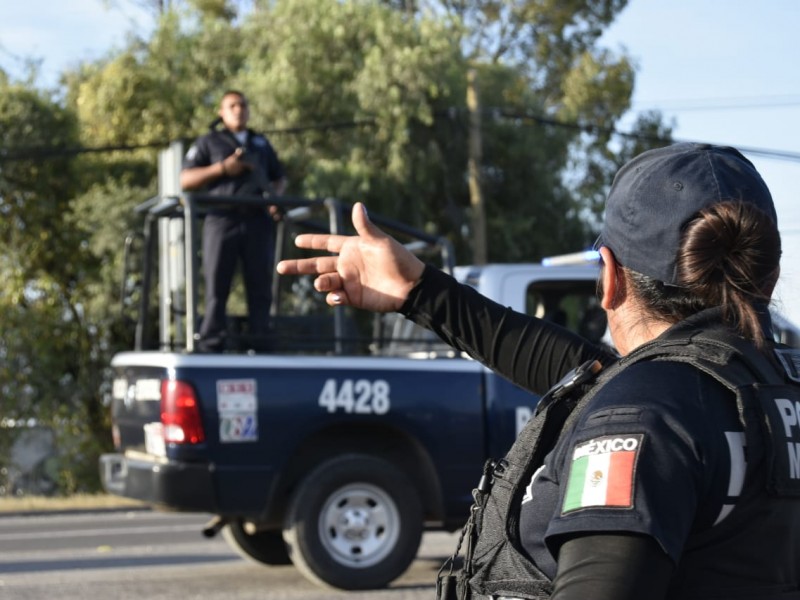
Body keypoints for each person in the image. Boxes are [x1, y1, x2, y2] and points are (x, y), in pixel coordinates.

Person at [277, 143, 800, 599]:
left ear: (610, 276)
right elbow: (587, 373)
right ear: (767, 274)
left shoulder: (648, 414)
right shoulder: (754, 386)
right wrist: (422, 293)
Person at [181, 90, 287, 353]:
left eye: (243, 105)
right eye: (232, 105)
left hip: (257, 221)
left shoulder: (260, 143)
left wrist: (276, 198)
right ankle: (211, 341)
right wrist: (224, 168)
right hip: (221, 219)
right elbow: (185, 180)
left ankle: (261, 340)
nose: (239, 110)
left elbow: (280, 177)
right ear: (221, 112)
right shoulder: (209, 141)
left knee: (261, 286)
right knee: (217, 284)